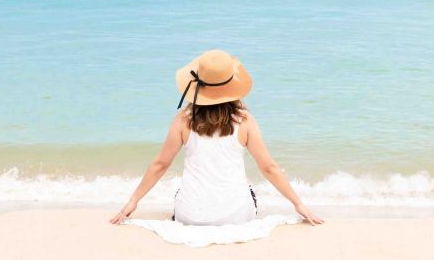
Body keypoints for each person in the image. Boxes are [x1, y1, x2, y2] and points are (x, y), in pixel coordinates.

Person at [109, 49, 324, 226]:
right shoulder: (245, 120)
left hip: (190, 217)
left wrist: (133, 200)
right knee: (248, 192)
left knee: (181, 192)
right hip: (237, 216)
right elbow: (269, 167)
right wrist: (298, 203)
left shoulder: (183, 120)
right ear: (232, 87)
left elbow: (160, 164)